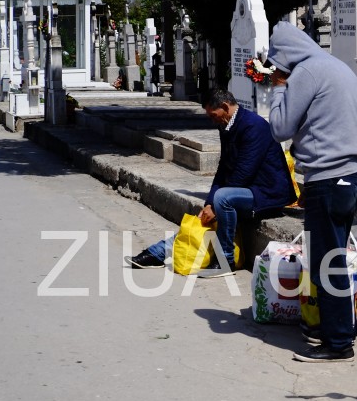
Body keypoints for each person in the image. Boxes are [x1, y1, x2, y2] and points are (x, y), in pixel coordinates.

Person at [267, 21, 357, 363]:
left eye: (277, 62)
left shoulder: (305, 74)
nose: (276, 69)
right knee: (334, 256)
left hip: (327, 179)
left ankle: (338, 343)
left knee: (328, 263)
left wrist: (279, 87)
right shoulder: (336, 66)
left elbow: (279, 128)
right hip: (351, 176)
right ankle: (334, 329)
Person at [125, 88, 296, 277]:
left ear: (224, 107)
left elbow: (243, 173)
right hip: (245, 191)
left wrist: (216, 204)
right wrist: (209, 203)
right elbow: (224, 168)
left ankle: (225, 261)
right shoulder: (226, 125)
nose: (211, 119)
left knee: (222, 200)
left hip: (267, 193)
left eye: (213, 115)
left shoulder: (253, 126)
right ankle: (158, 252)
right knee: (205, 216)